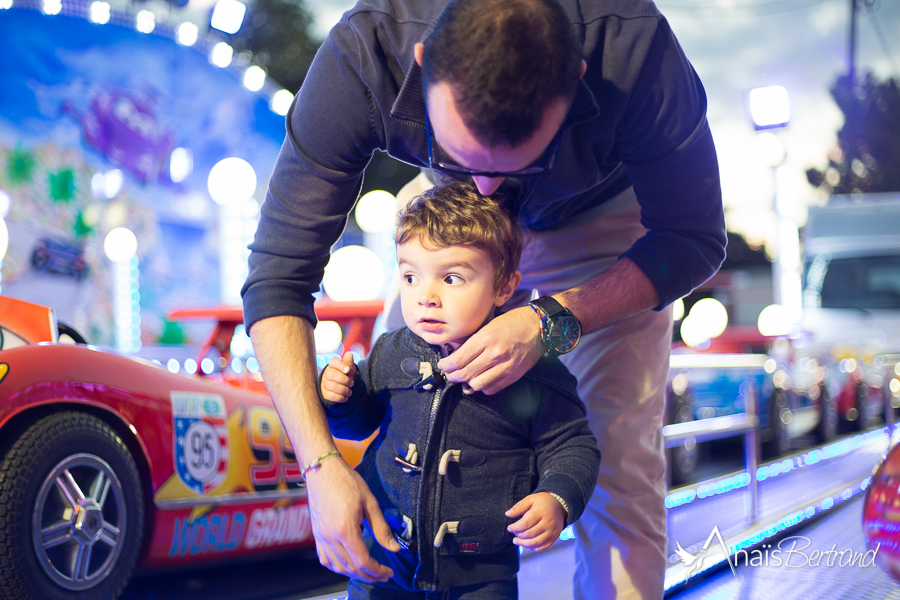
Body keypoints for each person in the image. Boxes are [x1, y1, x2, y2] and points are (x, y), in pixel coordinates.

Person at [242, 0, 726, 598]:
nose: (491, 189)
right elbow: (277, 277)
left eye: (520, 157)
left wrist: (553, 319)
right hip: (451, 233)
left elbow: (693, 238)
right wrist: (319, 464)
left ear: (574, 78)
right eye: (464, 154)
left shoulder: (636, 51)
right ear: (422, 65)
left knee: (618, 466)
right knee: (402, 409)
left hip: (600, 225)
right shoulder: (363, 55)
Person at [317, 181, 601, 598]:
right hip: (386, 561)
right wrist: (341, 397)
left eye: (451, 278)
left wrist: (557, 497)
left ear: (504, 287)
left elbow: (572, 444)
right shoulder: (391, 350)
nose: (425, 297)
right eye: (410, 276)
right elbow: (360, 426)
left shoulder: (532, 368)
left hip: (480, 575)